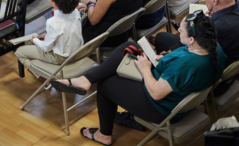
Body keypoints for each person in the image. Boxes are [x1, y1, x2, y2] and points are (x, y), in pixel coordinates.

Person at [53, 11, 225, 146]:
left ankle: (103, 135)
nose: (177, 30)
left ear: (192, 39)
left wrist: (145, 69)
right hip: (174, 92)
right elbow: (185, 62)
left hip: (160, 107)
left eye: (180, 29)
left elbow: (157, 93)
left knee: (105, 85)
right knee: (130, 47)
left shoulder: (185, 65)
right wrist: (166, 57)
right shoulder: (214, 47)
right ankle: (86, 80)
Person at [156, 0, 239, 67]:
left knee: (162, 38)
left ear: (215, 0)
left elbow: (192, 47)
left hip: (210, 66)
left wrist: (167, 55)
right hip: (230, 57)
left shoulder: (216, 27)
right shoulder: (228, 15)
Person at [15, 0, 83, 66]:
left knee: (20, 52)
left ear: (54, 4)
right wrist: (47, 36)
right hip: (77, 52)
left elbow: (46, 48)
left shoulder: (52, 22)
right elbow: (66, 33)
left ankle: (44, 72)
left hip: (60, 57)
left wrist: (35, 40)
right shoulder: (75, 12)